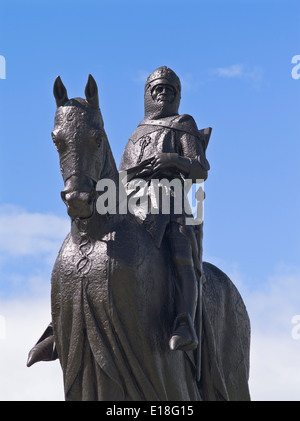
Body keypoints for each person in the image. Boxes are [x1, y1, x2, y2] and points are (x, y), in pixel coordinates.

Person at [119, 66, 211, 351]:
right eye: (157, 89)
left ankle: (185, 323)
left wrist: (173, 159)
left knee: (181, 251)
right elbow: (121, 175)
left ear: (176, 95)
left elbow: (200, 169)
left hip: (170, 201)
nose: (162, 94)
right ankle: (60, 325)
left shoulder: (183, 123)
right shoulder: (137, 133)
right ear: (148, 94)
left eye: (168, 90)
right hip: (132, 201)